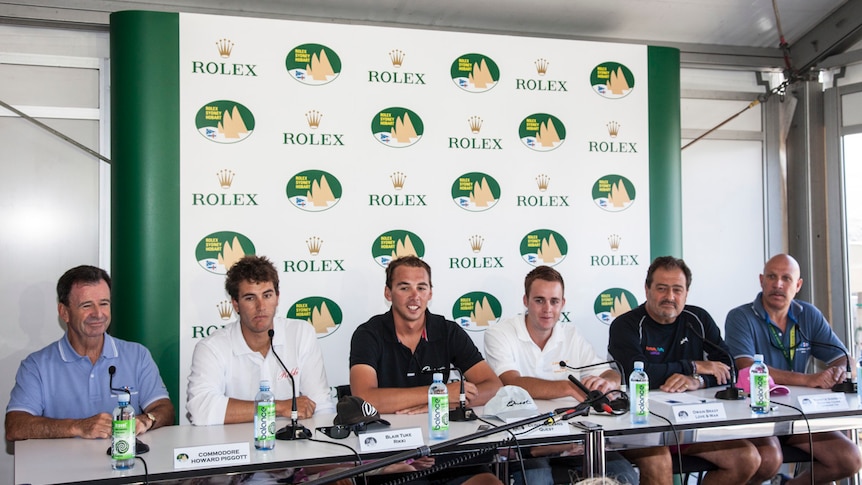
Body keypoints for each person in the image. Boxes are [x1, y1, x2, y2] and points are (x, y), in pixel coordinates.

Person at [484, 265, 665, 485]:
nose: (547, 309)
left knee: (625, 477)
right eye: (539, 300)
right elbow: (511, 381)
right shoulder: (499, 333)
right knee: (537, 479)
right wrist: (570, 387)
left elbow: (610, 373)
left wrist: (605, 382)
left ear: (563, 303)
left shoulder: (571, 334)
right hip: (526, 441)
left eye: (554, 301)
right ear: (525, 301)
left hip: (576, 438)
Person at [608, 256, 782, 485]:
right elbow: (638, 374)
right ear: (647, 289)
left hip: (692, 425)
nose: (670, 297)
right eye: (661, 289)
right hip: (641, 427)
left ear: (686, 293)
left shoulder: (697, 319)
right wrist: (693, 366)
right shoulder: (626, 325)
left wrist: (697, 380)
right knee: (659, 461)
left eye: (677, 290)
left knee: (747, 458)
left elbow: (729, 366)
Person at [350, 255, 503, 485]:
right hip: (395, 459)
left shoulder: (448, 330)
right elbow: (365, 398)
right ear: (388, 293)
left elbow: (493, 387)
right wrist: (437, 394)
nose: (415, 296)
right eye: (404, 287)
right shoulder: (368, 334)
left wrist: (454, 400)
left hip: (449, 452)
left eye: (421, 287)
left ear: (430, 293)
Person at [725, 253, 862, 485]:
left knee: (849, 459)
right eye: (771, 277)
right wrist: (809, 380)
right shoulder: (740, 316)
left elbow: (844, 359)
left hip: (799, 417)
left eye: (786, 278)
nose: (778, 284)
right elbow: (747, 368)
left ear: (797, 285)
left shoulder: (807, 314)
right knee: (769, 460)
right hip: (756, 417)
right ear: (761, 280)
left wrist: (839, 371)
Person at [6, 265, 174, 441]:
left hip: (126, 465)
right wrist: (77, 427)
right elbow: (15, 427)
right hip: (62, 467)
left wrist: (146, 420)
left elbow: (165, 409)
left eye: (104, 303)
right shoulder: (36, 366)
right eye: (87, 305)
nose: (98, 313)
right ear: (64, 312)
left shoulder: (137, 355)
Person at [187, 255, 334, 426]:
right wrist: (277, 407)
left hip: (294, 447)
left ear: (277, 298)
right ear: (235, 304)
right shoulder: (212, 348)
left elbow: (321, 406)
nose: (261, 306)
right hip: (235, 449)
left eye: (267, 295)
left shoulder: (300, 334)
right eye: (250, 298)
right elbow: (201, 410)